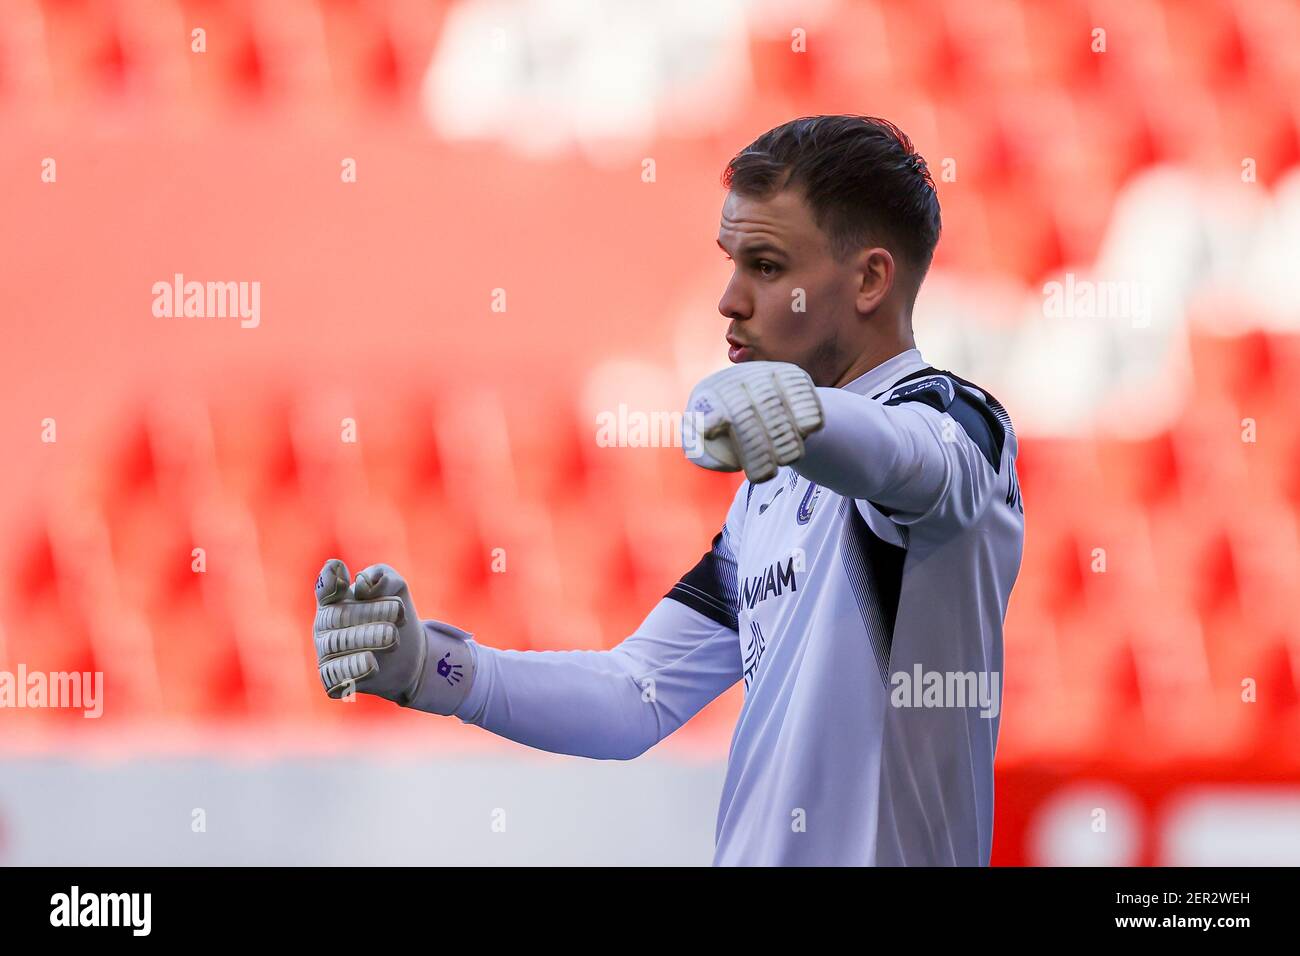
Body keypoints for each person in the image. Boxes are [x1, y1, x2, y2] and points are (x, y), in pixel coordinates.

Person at [312, 115, 1024, 866]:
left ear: (871, 280)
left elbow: (905, 458)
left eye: (768, 266)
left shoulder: (962, 427)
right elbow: (636, 694)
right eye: (732, 262)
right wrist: (435, 670)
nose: (729, 300)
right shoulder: (768, 494)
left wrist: (796, 413)